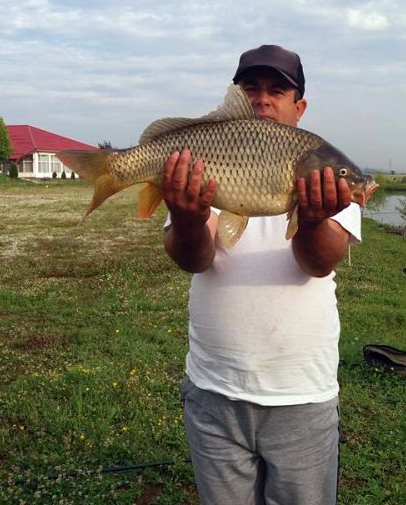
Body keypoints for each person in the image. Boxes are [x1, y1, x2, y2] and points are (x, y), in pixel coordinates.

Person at [162, 44, 362, 504]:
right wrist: (189, 219)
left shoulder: (324, 173)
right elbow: (194, 258)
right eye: (251, 88)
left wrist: (312, 218)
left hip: (301, 394)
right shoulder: (207, 154)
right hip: (214, 388)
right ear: (236, 96)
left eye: (277, 90)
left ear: (299, 107)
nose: (263, 99)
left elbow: (318, 263)